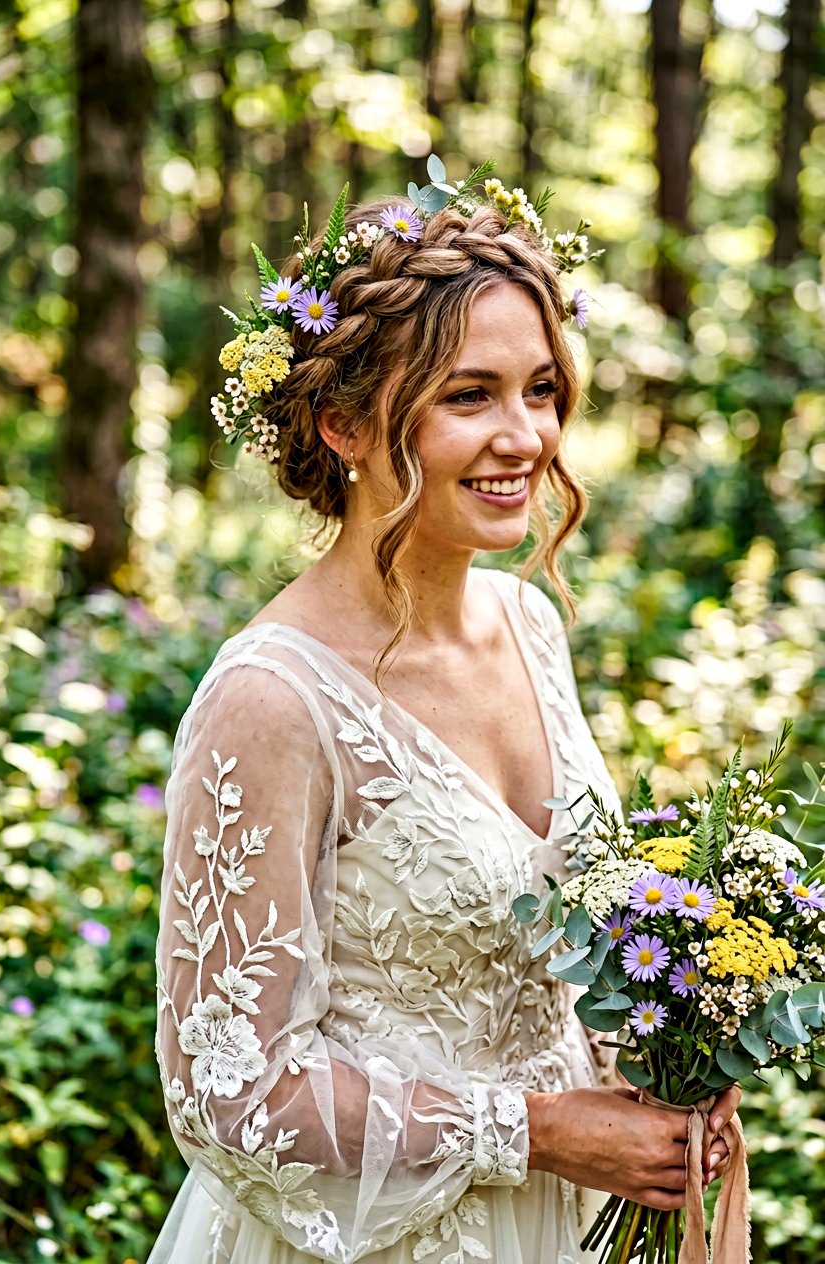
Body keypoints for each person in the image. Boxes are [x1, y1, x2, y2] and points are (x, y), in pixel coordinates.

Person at [149, 168, 739, 1264]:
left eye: (540, 389)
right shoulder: (271, 701)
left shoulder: (528, 624)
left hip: (567, 1220)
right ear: (342, 423)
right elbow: (229, 1091)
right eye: (468, 397)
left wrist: (665, 1067)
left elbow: (562, 947)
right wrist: (536, 1131)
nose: (525, 436)